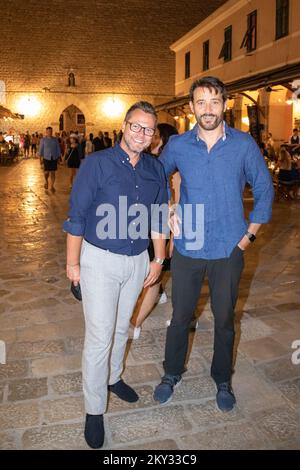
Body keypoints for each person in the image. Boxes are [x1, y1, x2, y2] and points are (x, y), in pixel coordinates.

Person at [153, 76, 274, 412]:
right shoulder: (177, 144)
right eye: (201, 102)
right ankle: (171, 373)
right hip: (189, 246)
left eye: (214, 102)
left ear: (225, 104)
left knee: (224, 318)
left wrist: (248, 237)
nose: (208, 109)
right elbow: (155, 177)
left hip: (228, 248)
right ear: (191, 107)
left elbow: (264, 189)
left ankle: (223, 378)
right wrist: (168, 210)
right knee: (179, 317)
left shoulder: (243, 144)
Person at [63, 101, 168, 449]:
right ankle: (94, 410)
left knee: (123, 327)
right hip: (98, 260)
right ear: (124, 127)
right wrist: (73, 266)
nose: (141, 133)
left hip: (137, 260)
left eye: (148, 129)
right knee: (100, 335)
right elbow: (76, 216)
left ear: (154, 136)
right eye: (135, 126)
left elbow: (158, 217)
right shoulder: (97, 164)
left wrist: (159, 259)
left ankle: (112, 378)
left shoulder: (155, 169)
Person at [130, 123, 178, 339]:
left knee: (154, 278)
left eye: (156, 135)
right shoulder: (152, 163)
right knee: (150, 276)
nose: (152, 138)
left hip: (164, 228)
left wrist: (171, 240)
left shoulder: (169, 168)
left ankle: (136, 324)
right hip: (148, 227)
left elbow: (172, 207)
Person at [38, 126, 61, 191]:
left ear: (52, 132)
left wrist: (59, 157)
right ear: (46, 132)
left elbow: (58, 148)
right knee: (46, 172)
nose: (49, 133)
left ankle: (52, 186)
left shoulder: (55, 139)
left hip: (54, 158)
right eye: (48, 132)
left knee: (53, 172)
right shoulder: (43, 140)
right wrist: (40, 159)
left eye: (50, 131)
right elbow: (41, 150)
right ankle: (46, 181)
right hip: (46, 158)